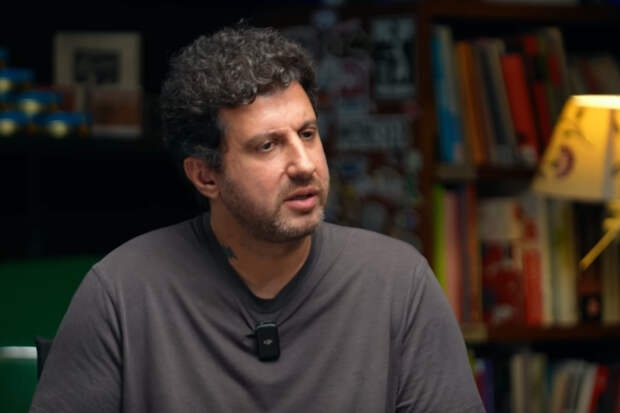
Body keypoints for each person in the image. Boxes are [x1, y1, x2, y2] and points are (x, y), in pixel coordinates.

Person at [30, 26, 484, 413]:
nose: (304, 164)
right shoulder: (122, 291)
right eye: (268, 146)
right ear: (205, 176)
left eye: (308, 133)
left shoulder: (399, 283)